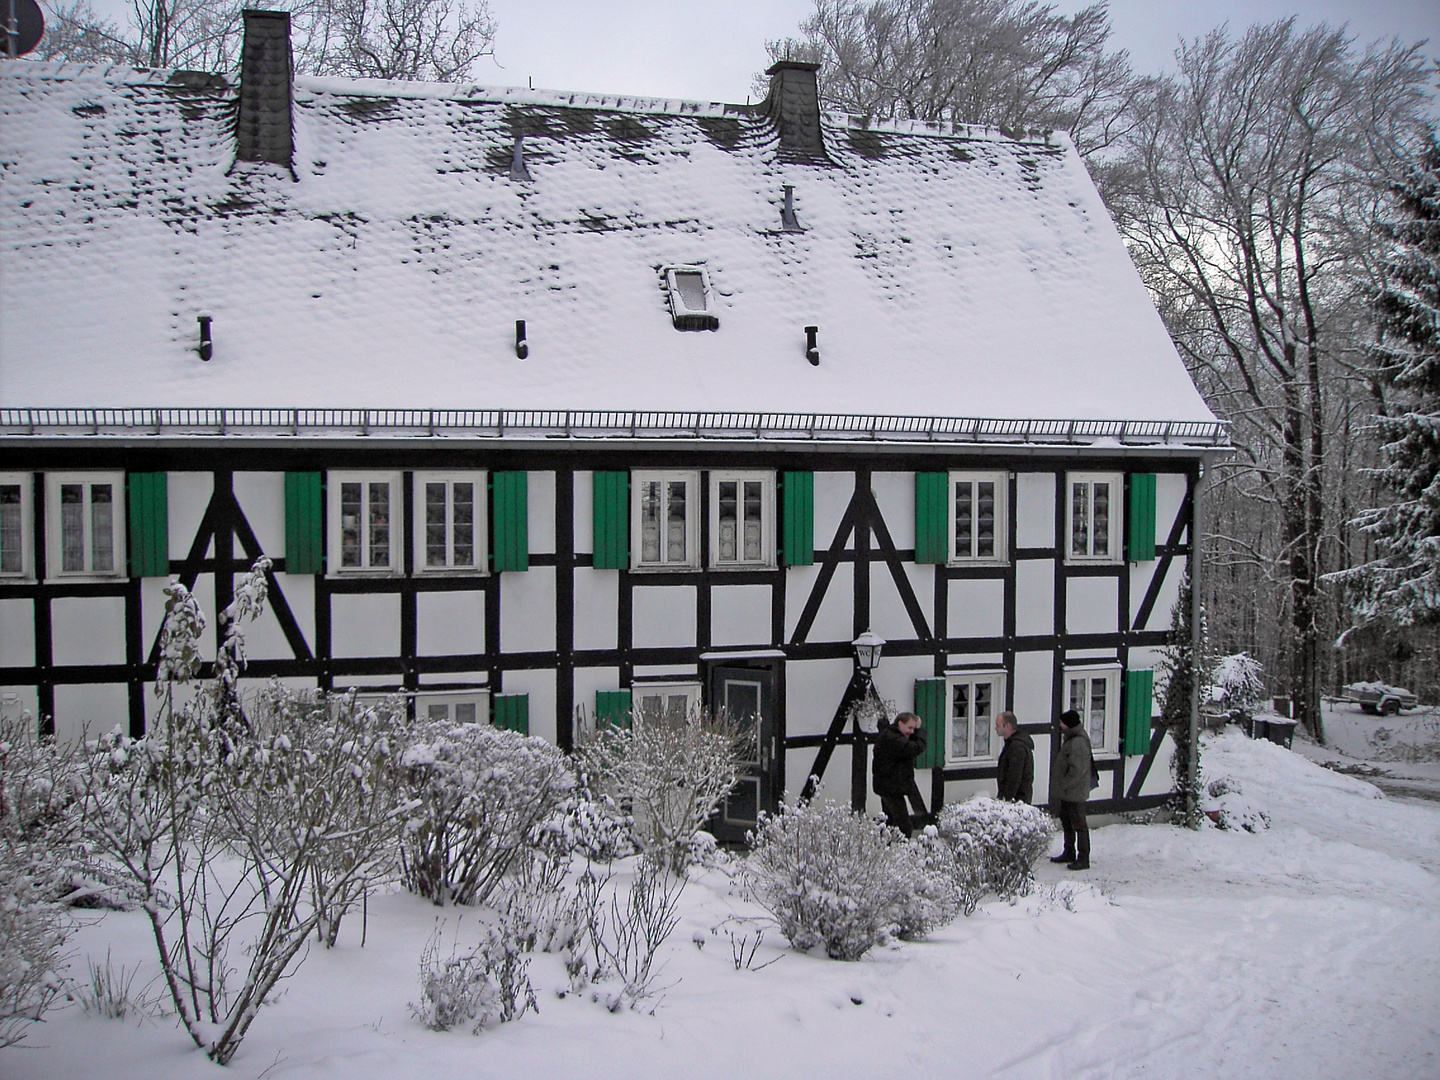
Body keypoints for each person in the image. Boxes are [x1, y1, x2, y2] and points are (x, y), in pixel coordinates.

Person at [1049, 709, 1093, 870]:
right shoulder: (1072, 739)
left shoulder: (1078, 742)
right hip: (1068, 792)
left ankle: (1083, 857)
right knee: (1067, 822)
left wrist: (1064, 785)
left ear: (1068, 724)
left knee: (1079, 825)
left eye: (1062, 722)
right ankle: (1069, 852)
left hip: (1074, 792)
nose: (1059, 725)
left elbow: (1078, 770)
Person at [873, 711, 928, 837]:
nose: (912, 732)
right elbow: (915, 748)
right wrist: (920, 731)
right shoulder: (892, 738)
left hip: (890, 787)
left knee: (892, 824)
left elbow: (910, 744)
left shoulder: (892, 735)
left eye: (914, 729)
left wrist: (915, 731)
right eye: (910, 728)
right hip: (891, 788)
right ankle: (900, 851)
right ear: (900, 723)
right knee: (904, 827)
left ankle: (887, 850)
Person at [994, 711, 1034, 803]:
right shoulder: (1012, 744)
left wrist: (1007, 800)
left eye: (998, 725)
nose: (996, 728)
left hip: (1017, 800)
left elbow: (1014, 777)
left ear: (1007, 726)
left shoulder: (1017, 748)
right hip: (1017, 798)